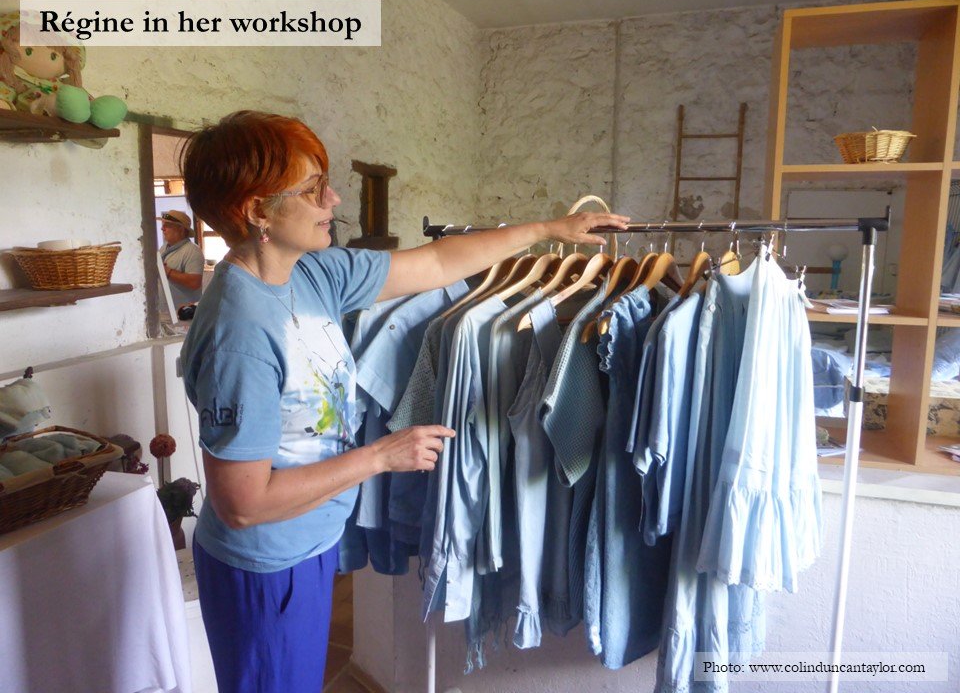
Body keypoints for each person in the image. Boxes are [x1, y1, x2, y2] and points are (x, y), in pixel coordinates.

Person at [179, 109, 628, 693]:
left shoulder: (312, 274)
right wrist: (381, 457)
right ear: (256, 211)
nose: (333, 198)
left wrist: (547, 230)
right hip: (264, 563)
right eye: (313, 188)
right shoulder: (239, 332)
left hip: (307, 543)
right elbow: (242, 503)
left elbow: (438, 262)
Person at [157, 209, 205, 310]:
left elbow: (194, 283)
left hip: (184, 315)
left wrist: (166, 271)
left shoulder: (192, 251)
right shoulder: (163, 248)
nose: (162, 228)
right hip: (166, 311)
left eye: (167, 225)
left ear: (181, 229)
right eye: (163, 225)